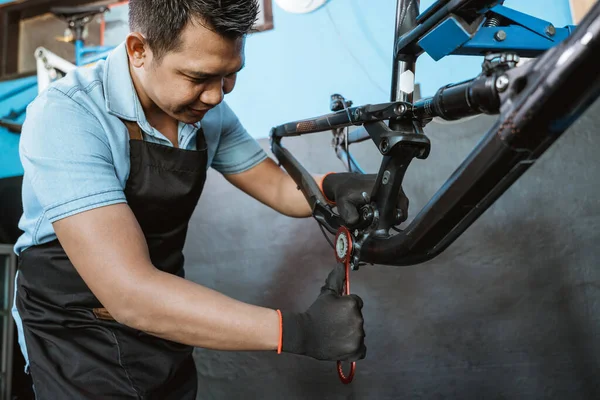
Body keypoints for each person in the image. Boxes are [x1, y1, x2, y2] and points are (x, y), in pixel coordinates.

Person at [11, 0, 408, 398]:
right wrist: (299, 331)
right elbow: (129, 293)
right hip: (78, 333)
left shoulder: (204, 112)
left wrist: (335, 187)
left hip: (166, 318)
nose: (217, 96)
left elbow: (277, 187)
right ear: (138, 51)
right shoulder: (68, 115)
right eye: (198, 76)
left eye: (230, 76)